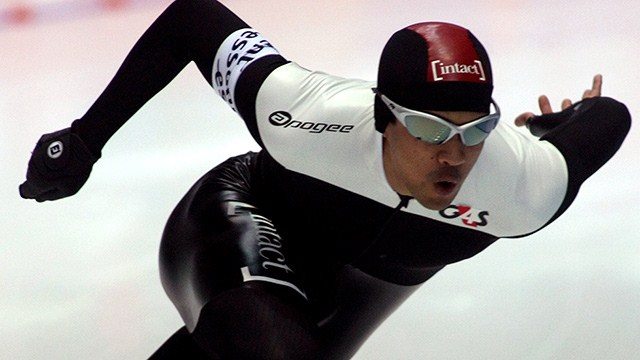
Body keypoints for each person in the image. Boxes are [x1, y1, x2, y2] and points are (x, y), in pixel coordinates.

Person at [19, 0, 631, 359]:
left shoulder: (525, 186)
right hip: (249, 214)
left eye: (475, 131)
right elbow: (192, 17)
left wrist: (555, 129)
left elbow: (610, 117)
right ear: (382, 115)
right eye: (430, 129)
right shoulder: (304, 113)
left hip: (369, 281)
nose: (455, 155)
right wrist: (83, 139)